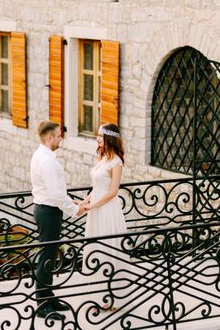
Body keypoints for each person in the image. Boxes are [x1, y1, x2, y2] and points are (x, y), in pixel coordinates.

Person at [30, 120, 85, 320]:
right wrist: (74, 209)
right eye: (58, 135)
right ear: (49, 137)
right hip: (48, 211)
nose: (60, 138)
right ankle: (42, 305)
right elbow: (53, 194)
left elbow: (55, 190)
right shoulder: (46, 160)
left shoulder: (43, 156)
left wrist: (71, 201)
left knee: (50, 256)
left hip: (48, 209)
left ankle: (49, 296)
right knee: (46, 257)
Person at [76, 123, 129, 312]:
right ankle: (97, 295)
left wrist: (92, 205)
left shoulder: (116, 161)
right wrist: (84, 202)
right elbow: (96, 187)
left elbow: (113, 192)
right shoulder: (103, 158)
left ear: (109, 138)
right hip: (95, 209)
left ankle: (111, 297)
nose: (97, 138)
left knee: (106, 251)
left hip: (107, 211)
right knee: (94, 250)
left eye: (100, 135)